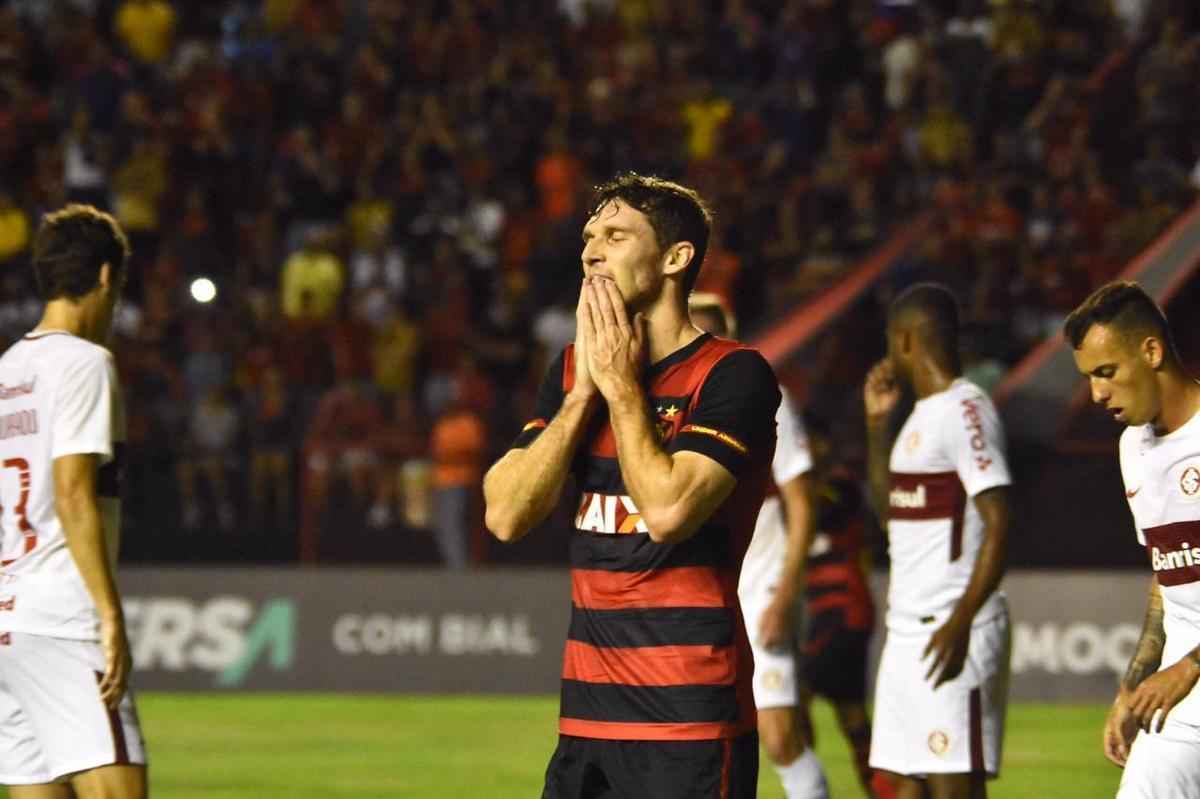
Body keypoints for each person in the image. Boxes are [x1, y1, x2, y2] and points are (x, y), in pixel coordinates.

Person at [483, 173, 781, 798]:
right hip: (585, 719)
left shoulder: (733, 374)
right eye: (589, 236)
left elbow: (670, 511)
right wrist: (584, 393)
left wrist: (619, 388)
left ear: (677, 258)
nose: (591, 250)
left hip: (689, 723)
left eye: (616, 235)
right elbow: (505, 514)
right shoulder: (571, 370)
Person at [0, 204, 147, 797]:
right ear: (107, 277)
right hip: (63, 615)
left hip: (8, 621)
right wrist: (109, 616)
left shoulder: (8, 369)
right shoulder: (86, 364)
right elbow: (72, 491)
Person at [863, 282, 1011, 799]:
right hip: (905, 635)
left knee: (953, 789)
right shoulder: (916, 420)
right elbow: (892, 516)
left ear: (904, 340)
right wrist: (877, 427)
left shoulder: (966, 409)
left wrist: (961, 621)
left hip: (950, 630)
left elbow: (999, 519)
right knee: (902, 787)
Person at [689, 292, 829, 798]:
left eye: (710, 334)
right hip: (699, 595)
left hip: (761, 589)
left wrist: (785, 593)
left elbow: (802, 501)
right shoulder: (670, 403)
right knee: (699, 741)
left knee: (779, 735)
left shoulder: (764, 399)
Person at [1065, 281, 1200, 797]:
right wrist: (1134, 683)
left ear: (1151, 350)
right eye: (1089, 378)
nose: (1097, 393)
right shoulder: (1133, 449)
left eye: (1106, 372)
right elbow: (1168, 577)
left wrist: (1188, 668)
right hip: (1181, 710)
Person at [797, 413, 886, 799]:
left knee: (792, 697)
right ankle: (883, 792)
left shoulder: (840, 485)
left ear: (822, 444)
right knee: (851, 714)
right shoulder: (807, 487)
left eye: (807, 441)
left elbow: (818, 511)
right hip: (828, 612)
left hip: (844, 609)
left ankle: (806, 786)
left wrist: (792, 487)